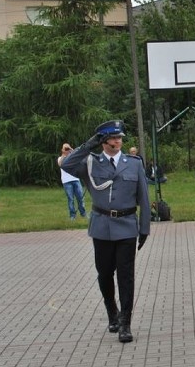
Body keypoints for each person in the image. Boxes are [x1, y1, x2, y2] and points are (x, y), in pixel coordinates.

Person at [61, 120, 150, 343]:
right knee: (104, 274)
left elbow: (144, 197)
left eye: (119, 137)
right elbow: (66, 165)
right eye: (112, 138)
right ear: (103, 140)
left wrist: (145, 228)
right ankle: (112, 311)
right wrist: (89, 144)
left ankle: (125, 323)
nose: (117, 141)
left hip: (127, 225)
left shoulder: (133, 163)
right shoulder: (91, 162)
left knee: (126, 277)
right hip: (101, 226)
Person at [58, 143, 87, 220]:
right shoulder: (60, 158)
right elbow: (60, 164)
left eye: (68, 149)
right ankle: (72, 216)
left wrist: (72, 150)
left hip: (76, 180)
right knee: (70, 199)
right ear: (62, 150)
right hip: (66, 182)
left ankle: (83, 213)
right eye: (65, 149)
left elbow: (79, 157)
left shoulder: (73, 158)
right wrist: (64, 154)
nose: (67, 150)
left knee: (80, 197)